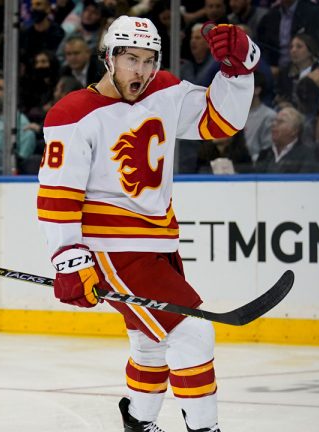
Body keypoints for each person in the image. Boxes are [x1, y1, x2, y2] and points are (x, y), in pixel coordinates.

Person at [38, 16, 259, 432]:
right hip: (113, 248)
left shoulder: (165, 90)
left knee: (152, 340)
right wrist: (69, 258)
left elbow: (221, 121)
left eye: (148, 60)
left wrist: (237, 70)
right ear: (108, 58)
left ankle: (139, 420)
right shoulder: (73, 114)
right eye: (129, 59)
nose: (140, 70)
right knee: (193, 334)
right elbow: (57, 197)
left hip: (159, 241)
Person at [254, 106, 317, 173]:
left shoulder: (307, 155)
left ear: (294, 130)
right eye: (274, 121)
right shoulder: (264, 154)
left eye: (280, 122)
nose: (273, 124)